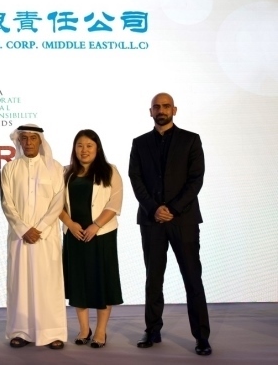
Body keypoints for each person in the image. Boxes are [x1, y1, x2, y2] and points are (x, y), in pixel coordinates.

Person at [129, 92, 211, 356]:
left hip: (183, 219)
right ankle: (152, 330)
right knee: (153, 279)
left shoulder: (191, 140)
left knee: (192, 278)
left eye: (166, 106)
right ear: (150, 111)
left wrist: (172, 209)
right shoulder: (139, 143)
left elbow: (196, 179)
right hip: (151, 220)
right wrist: (154, 209)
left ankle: (201, 337)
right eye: (156, 107)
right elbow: (135, 179)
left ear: (174, 110)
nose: (161, 110)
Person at [0, 124, 67, 349]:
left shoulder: (55, 168)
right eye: (24, 138)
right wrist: (23, 229)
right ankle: (21, 332)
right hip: (20, 238)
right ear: (19, 141)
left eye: (33, 138)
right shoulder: (9, 169)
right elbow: (7, 203)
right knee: (20, 285)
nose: (28, 142)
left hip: (46, 238)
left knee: (49, 284)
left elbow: (58, 202)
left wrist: (40, 228)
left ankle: (52, 332)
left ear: (40, 141)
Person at [60, 129, 123, 349]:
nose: (84, 150)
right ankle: (84, 329)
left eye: (89, 145)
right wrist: (70, 224)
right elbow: (56, 204)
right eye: (80, 145)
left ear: (97, 148)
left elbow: (114, 203)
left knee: (101, 282)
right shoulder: (65, 172)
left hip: (102, 235)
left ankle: (100, 331)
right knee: (79, 283)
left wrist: (96, 226)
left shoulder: (110, 171)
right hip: (74, 235)